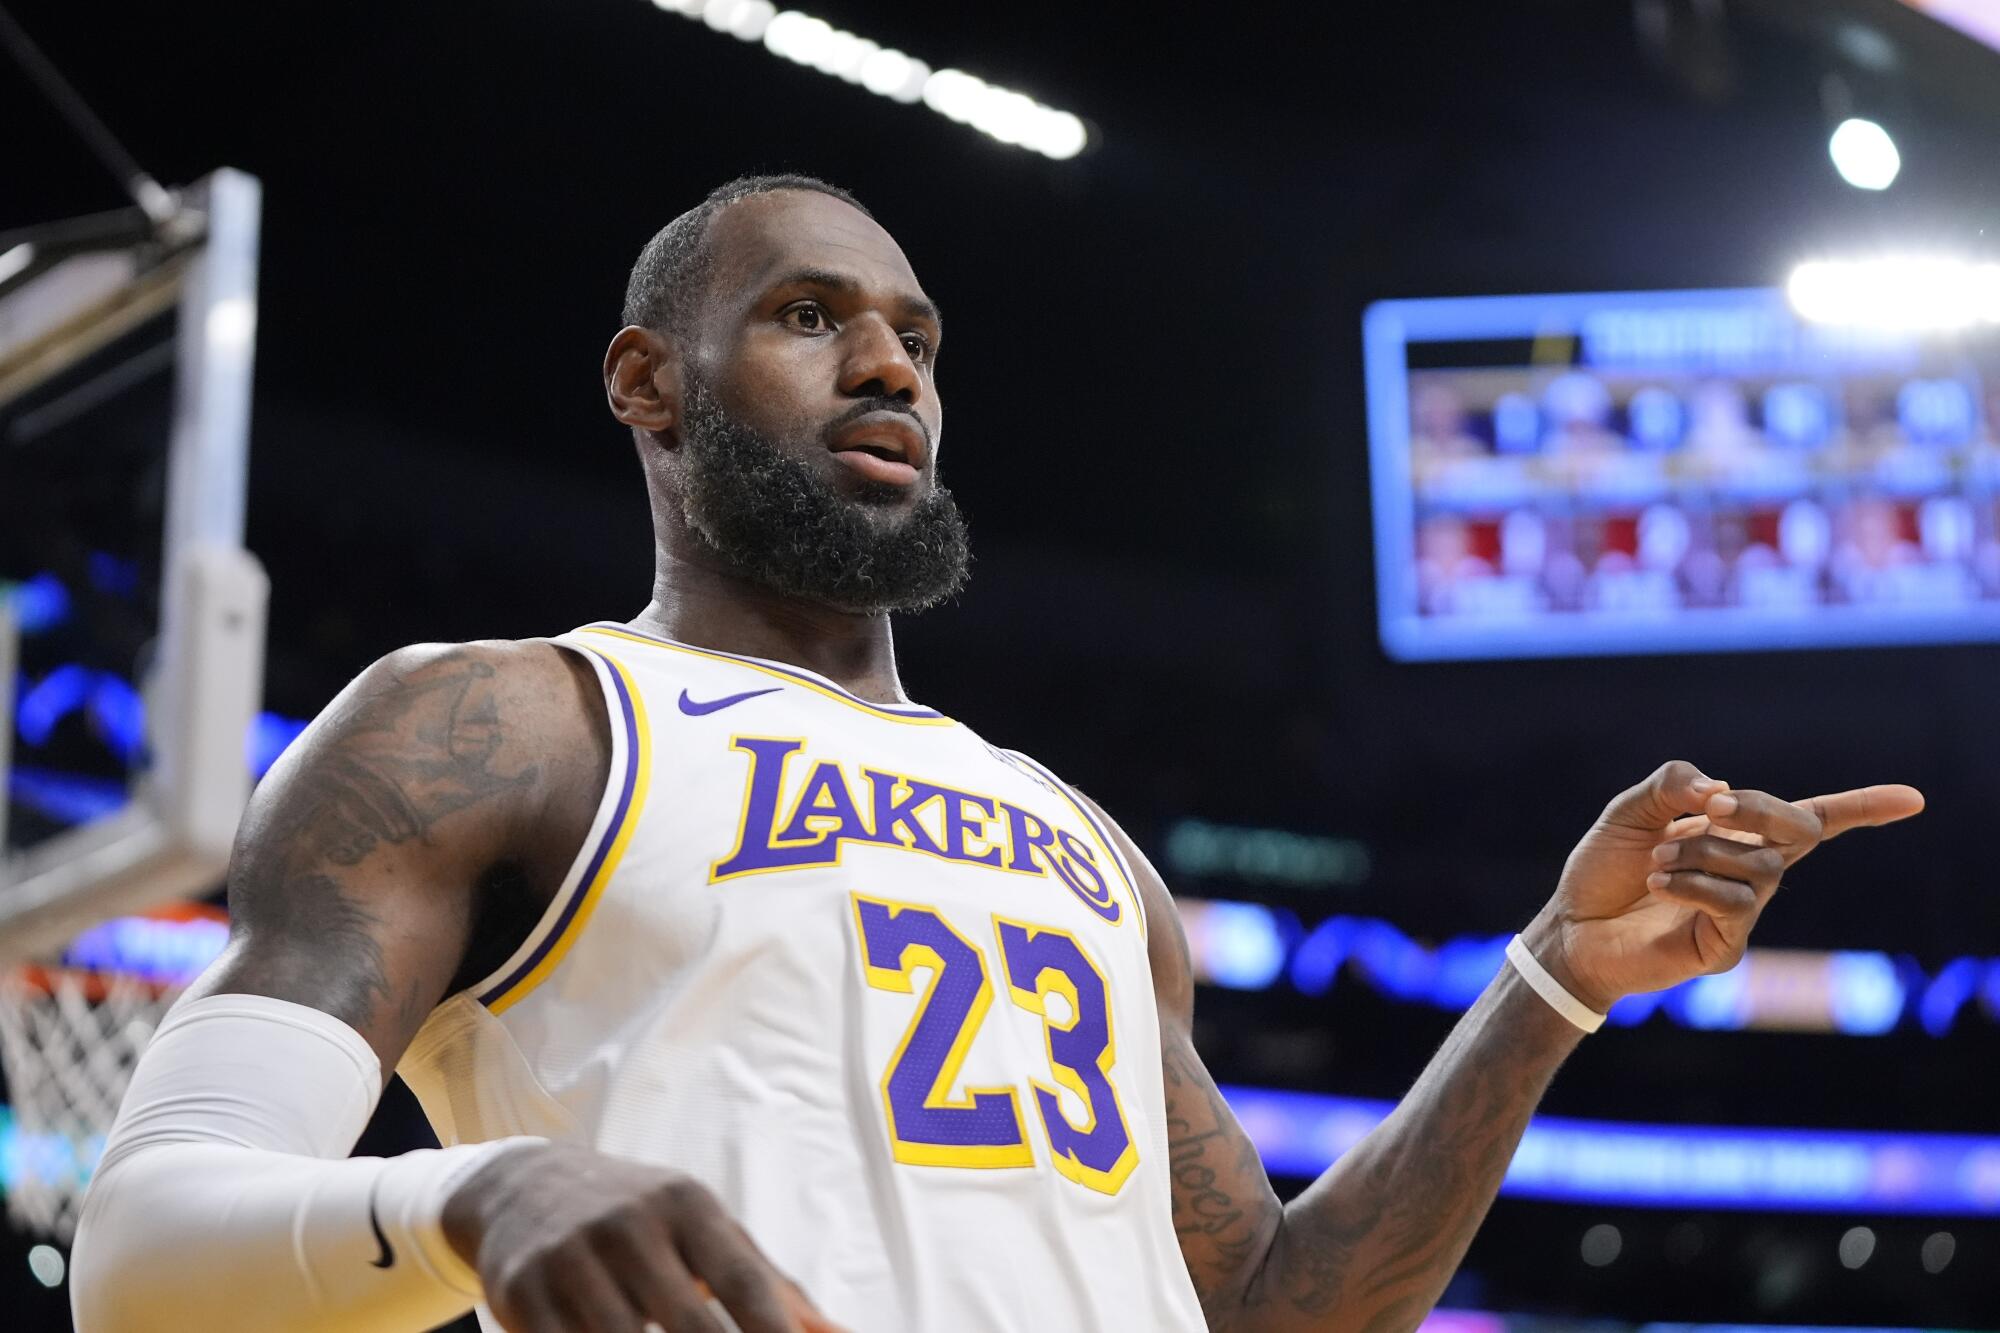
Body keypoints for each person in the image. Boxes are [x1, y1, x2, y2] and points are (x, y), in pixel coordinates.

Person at [68, 176, 1925, 1333]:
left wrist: (1549, 986)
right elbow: (144, 1256)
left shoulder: (1086, 843)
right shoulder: (501, 721)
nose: (890, 364)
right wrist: (470, 1193)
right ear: (648, 382)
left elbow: (1277, 1312)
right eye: (811, 317)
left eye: (917, 336)